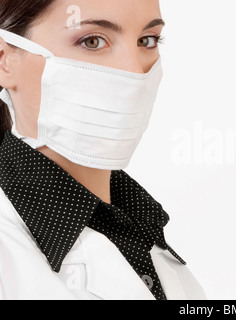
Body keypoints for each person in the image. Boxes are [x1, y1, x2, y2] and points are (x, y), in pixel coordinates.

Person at [0, 0, 206, 300]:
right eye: (92, 41)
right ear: (5, 60)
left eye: (147, 41)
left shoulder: (143, 230)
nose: (134, 71)